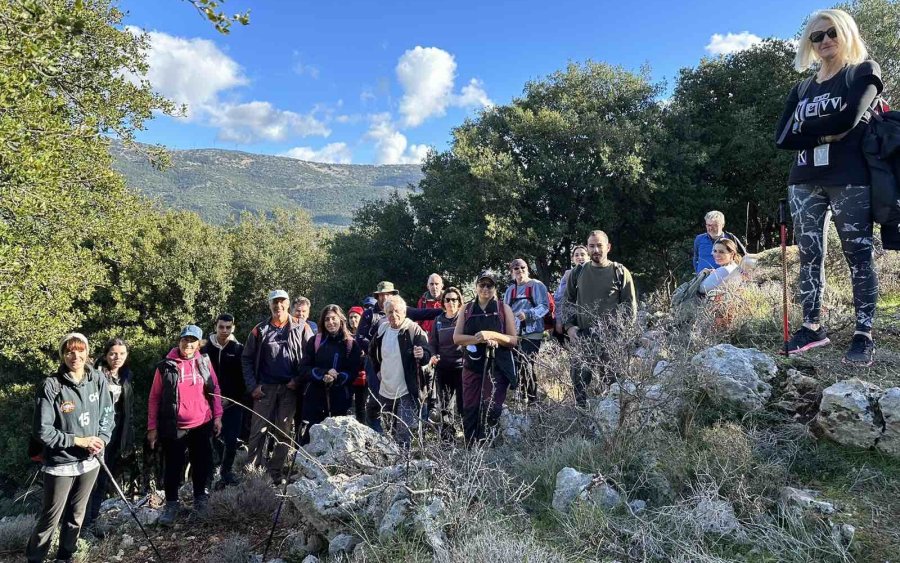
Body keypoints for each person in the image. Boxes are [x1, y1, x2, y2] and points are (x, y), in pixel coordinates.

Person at [774, 8, 882, 365]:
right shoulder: (802, 87)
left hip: (850, 178)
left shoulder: (863, 72)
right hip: (804, 180)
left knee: (858, 255)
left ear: (846, 32)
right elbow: (782, 138)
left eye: (831, 32)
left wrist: (808, 131)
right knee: (808, 256)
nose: (824, 41)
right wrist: (827, 131)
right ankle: (812, 327)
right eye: (816, 36)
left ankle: (863, 332)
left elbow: (850, 117)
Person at [26, 333, 113, 563]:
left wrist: (102, 439)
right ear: (63, 355)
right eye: (69, 351)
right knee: (50, 518)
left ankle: (65, 557)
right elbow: (42, 430)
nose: (75, 356)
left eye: (80, 350)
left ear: (87, 352)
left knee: (77, 515)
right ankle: (35, 558)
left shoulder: (97, 378)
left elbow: (108, 414)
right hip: (61, 463)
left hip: (90, 461)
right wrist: (78, 441)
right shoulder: (51, 385)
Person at [147, 325, 222, 526]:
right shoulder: (165, 366)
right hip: (174, 425)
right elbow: (154, 398)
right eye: (185, 340)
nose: (188, 344)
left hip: (202, 422)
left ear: (199, 343)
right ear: (179, 341)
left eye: (192, 341)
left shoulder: (204, 362)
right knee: (173, 465)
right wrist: (152, 427)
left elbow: (214, 389)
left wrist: (217, 416)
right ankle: (171, 505)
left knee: (201, 462)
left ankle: (200, 498)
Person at [242, 290, 312, 481]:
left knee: (284, 432)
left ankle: (275, 473)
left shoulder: (302, 327)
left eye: (282, 302)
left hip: (289, 389)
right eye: (275, 302)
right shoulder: (260, 329)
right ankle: (252, 474)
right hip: (264, 389)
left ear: (288, 304)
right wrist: (252, 386)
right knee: (257, 432)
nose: (278, 306)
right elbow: (246, 359)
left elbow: (310, 357)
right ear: (269, 305)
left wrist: (297, 380)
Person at [355, 281, 441, 432]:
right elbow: (363, 340)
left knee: (403, 424)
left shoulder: (410, 323)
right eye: (381, 295)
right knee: (378, 406)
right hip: (381, 371)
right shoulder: (372, 316)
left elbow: (425, 317)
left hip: (404, 378)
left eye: (387, 294)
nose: (393, 315)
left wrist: (446, 310)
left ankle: (402, 448)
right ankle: (377, 435)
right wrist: (378, 364)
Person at [565, 230, 638, 407]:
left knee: (613, 383)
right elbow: (567, 302)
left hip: (611, 336)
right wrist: (570, 326)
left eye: (599, 245)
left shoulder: (619, 271)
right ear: (588, 248)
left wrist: (623, 333)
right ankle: (581, 418)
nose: (596, 249)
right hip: (584, 336)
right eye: (592, 246)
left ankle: (613, 421)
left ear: (608, 247)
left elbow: (630, 306)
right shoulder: (578, 272)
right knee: (579, 381)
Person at [453, 271, 518, 446]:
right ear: (476, 287)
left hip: (497, 366)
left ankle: (489, 448)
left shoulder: (504, 309)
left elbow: (513, 340)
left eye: (490, 285)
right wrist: (478, 339)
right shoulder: (466, 309)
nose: (485, 289)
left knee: (492, 407)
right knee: (470, 406)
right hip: (472, 365)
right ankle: (470, 448)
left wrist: (493, 335)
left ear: (495, 288)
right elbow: (457, 338)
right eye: (482, 285)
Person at [368, 296, 432, 448]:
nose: (393, 315)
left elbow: (427, 354)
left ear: (404, 312)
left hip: (406, 390)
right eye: (389, 312)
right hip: (386, 389)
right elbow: (372, 352)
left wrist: (422, 354)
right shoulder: (382, 329)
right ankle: (390, 463)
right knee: (388, 429)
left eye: (397, 311)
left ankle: (404, 465)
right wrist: (378, 370)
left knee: (404, 432)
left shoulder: (413, 330)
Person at [85, 337, 134, 529]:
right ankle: (80, 524)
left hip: (115, 435)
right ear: (105, 355)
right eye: (113, 353)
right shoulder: (93, 374)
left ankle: (92, 522)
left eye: (122, 354)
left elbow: (127, 409)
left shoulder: (126, 376)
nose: (117, 357)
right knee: (89, 480)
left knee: (103, 479)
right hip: (94, 434)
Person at [298, 305, 363, 443]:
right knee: (309, 439)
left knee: (338, 441)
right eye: (327, 319)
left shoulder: (351, 344)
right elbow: (303, 368)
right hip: (314, 399)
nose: (330, 322)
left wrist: (336, 377)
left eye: (334, 318)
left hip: (340, 400)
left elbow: (352, 372)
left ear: (341, 319)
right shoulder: (315, 341)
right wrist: (323, 374)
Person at [200, 313, 245, 487]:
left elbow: (243, 378)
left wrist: (232, 398)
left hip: (232, 403)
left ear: (233, 328)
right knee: (211, 440)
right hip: (208, 403)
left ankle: (227, 472)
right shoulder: (204, 349)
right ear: (215, 327)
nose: (224, 330)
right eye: (221, 327)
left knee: (231, 439)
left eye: (228, 327)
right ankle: (210, 474)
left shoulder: (239, 349)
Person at [503, 258, 550, 405]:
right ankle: (520, 396)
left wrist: (528, 314)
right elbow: (504, 310)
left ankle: (532, 399)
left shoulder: (537, 285)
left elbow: (545, 306)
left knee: (527, 363)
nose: (520, 271)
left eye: (522, 267)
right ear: (512, 272)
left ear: (527, 269)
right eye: (516, 268)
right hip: (514, 333)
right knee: (516, 364)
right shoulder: (510, 290)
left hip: (533, 331)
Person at [428, 287, 465, 441]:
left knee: (464, 404)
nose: (450, 302)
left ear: (459, 301)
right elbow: (432, 343)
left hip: (462, 367)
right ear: (443, 302)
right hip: (444, 368)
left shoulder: (464, 319)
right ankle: (448, 439)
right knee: (445, 404)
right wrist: (433, 355)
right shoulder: (438, 321)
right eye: (447, 299)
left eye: (454, 299)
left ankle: (469, 435)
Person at [554, 245, 589, 337]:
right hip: (573, 320)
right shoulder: (568, 274)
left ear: (588, 257)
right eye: (576, 255)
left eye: (582, 254)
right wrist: (559, 321)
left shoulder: (596, 273)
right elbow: (559, 299)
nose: (579, 257)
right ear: (573, 258)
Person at [346, 305, 368, 423]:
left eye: (356, 317)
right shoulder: (345, 335)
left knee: (362, 405)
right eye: (350, 317)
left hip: (364, 376)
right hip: (349, 375)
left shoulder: (366, 333)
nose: (353, 320)